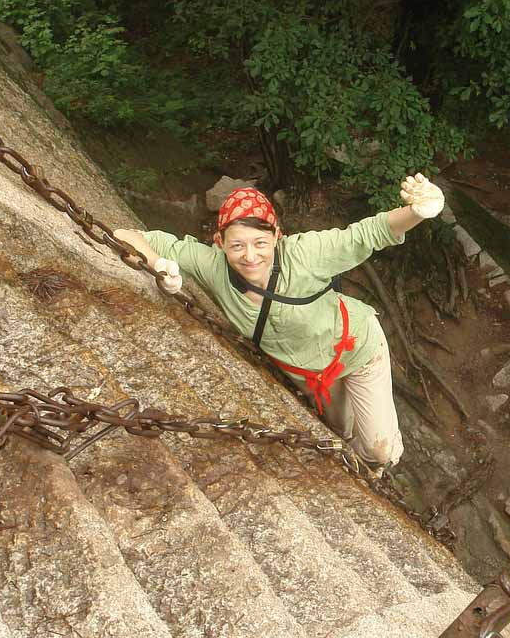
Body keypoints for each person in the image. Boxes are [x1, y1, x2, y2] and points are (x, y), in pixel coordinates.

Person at [114, 174, 445, 470]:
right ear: (220, 243)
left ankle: (374, 470)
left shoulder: (305, 255)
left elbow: (366, 234)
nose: (250, 256)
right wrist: (158, 265)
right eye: (237, 246)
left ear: (277, 236)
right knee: (340, 432)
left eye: (260, 243)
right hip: (309, 375)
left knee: (379, 451)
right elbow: (125, 234)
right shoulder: (213, 267)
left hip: (358, 351)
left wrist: (417, 211)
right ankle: (355, 464)